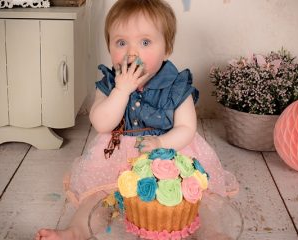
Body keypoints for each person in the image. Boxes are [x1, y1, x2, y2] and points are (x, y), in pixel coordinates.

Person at [35, 0, 238, 239]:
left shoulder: (175, 85)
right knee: (97, 199)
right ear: (109, 47)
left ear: (167, 48)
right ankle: (75, 232)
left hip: (169, 153)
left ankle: (212, 233)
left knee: (196, 199)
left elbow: (186, 128)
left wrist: (161, 144)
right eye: (121, 42)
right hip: (118, 156)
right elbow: (101, 123)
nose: (132, 52)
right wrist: (121, 91)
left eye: (145, 42)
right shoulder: (110, 83)